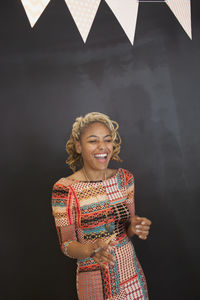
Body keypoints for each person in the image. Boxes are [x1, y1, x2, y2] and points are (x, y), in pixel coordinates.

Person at [51, 112, 152, 300]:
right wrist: (90, 249)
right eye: (92, 141)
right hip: (95, 281)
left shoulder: (124, 179)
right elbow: (66, 245)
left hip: (131, 273)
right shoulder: (65, 189)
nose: (102, 147)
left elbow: (126, 229)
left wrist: (134, 227)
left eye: (107, 140)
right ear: (78, 146)